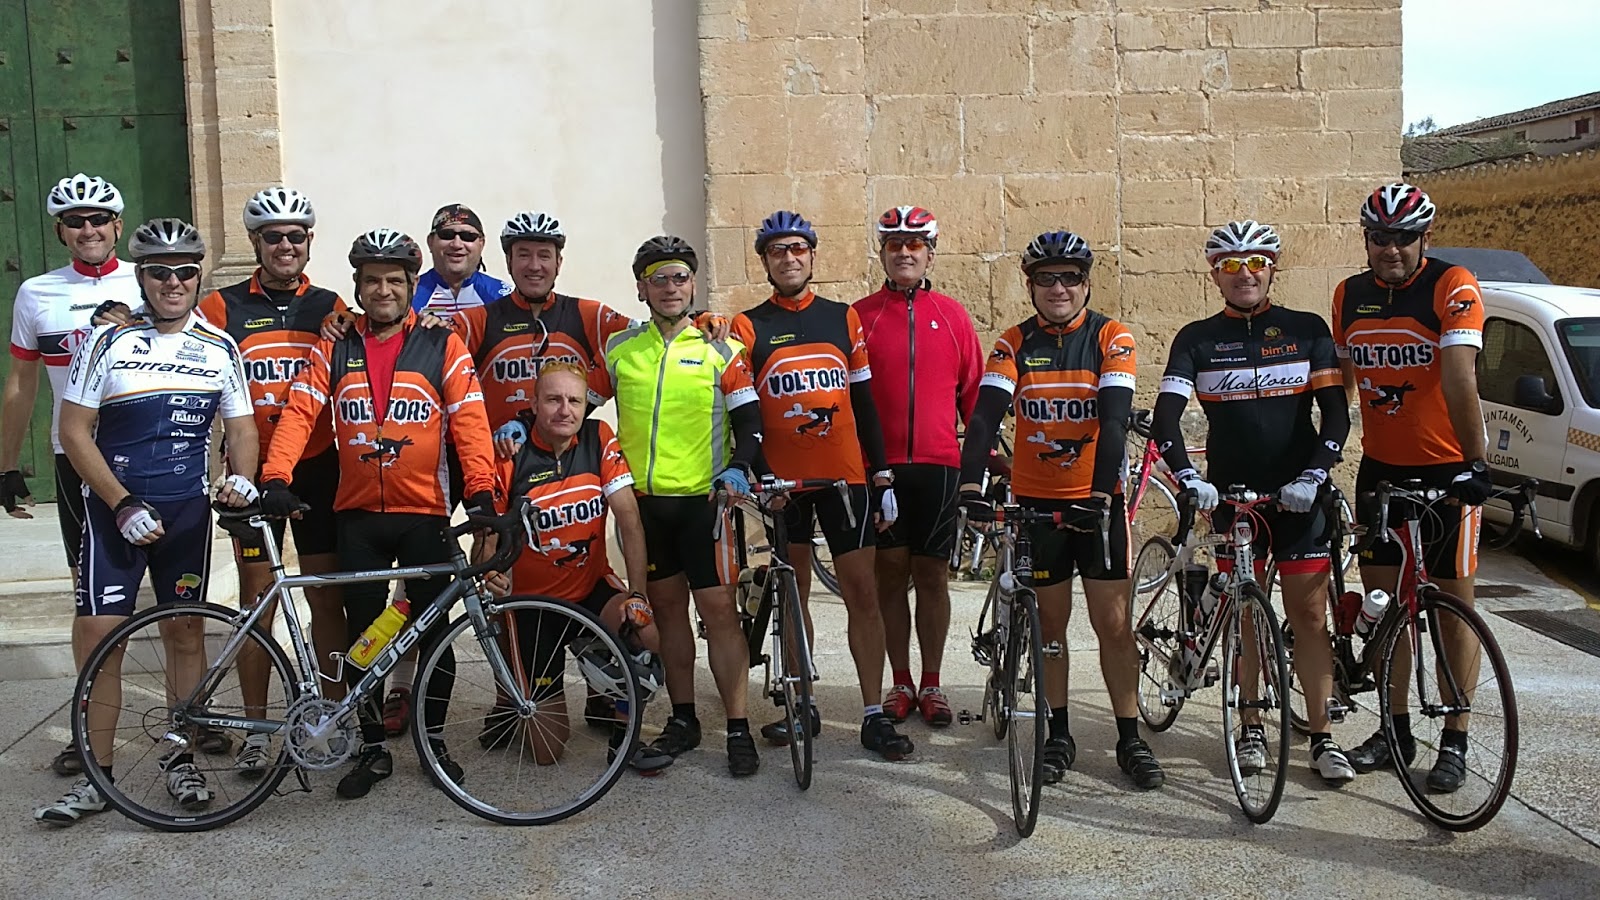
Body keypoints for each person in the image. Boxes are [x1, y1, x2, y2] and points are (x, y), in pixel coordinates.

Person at [33, 218, 259, 825]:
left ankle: (180, 760)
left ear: (199, 275)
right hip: (116, 513)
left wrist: (242, 475)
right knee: (101, 637)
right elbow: (73, 432)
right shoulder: (106, 343)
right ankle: (97, 775)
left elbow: (240, 427)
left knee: (186, 632)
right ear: (142, 277)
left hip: (186, 513)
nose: (173, 282)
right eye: (159, 272)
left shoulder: (220, 347)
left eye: (185, 271)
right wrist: (121, 503)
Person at [259, 228, 497, 800]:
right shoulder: (335, 343)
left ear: (412, 286)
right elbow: (301, 411)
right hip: (358, 515)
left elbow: (469, 421)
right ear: (358, 287)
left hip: (424, 513)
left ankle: (432, 742)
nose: (383, 290)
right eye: (371, 281)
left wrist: (483, 492)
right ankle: (369, 747)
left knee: (432, 633)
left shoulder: (442, 343)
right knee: (363, 637)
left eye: (394, 280)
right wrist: (275, 476)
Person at [958, 230, 1164, 790]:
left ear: (1086, 284)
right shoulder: (1013, 343)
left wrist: (1097, 496)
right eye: (1046, 278)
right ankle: (1060, 733)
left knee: (1113, 625)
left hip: (1095, 504)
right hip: (1036, 507)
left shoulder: (1110, 337)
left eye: (1069, 277)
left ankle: (1129, 738)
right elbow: (984, 418)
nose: (1058, 288)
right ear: (1030, 286)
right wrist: (970, 486)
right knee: (1051, 627)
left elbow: (1115, 419)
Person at [1152, 220, 1355, 784]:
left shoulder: (1307, 330)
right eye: (1232, 265)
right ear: (1215, 275)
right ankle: (1250, 726)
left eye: (1256, 263)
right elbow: (1166, 418)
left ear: (1272, 269)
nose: (1245, 274)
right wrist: (1188, 476)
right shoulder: (1196, 339)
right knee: (1244, 616)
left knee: (1309, 617)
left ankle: (1322, 737)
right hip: (1233, 499)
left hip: (1298, 497)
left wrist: (1315, 473)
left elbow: (1335, 415)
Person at [729, 210, 914, 761]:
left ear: (812, 256)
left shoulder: (843, 317)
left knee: (863, 593)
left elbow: (864, 401)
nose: (789, 258)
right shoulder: (747, 325)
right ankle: (801, 702)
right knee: (794, 593)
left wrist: (882, 473)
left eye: (798, 249)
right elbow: (744, 411)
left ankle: (873, 712)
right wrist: (759, 472)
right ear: (764, 262)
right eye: (777, 251)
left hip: (844, 479)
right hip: (783, 482)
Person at [1332, 183, 1492, 792]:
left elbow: (1459, 377)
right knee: (1385, 606)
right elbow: (1341, 387)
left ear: (1424, 237)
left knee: (1453, 610)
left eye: (1403, 237)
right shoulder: (1350, 294)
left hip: (1448, 471)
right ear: (1367, 239)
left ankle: (1455, 735)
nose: (1391, 248)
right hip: (1381, 471)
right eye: (1380, 237)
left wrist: (1475, 463)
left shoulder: (1452, 285)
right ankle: (1394, 729)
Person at [195, 187, 351, 777]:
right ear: (255, 242)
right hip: (253, 473)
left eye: (296, 236)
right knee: (256, 603)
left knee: (325, 596)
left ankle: (331, 717)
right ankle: (258, 730)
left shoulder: (332, 305)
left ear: (309, 241)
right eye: (273, 237)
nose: (286, 246)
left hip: (318, 467)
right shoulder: (221, 306)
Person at [596, 236, 765, 776]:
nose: (670, 287)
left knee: (719, 614)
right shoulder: (621, 348)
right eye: (659, 279)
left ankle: (737, 726)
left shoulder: (722, 347)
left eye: (680, 277)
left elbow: (750, 423)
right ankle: (684, 717)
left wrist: (740, 466)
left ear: (693, 285)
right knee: (668, 614)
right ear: (641, 288)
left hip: (703, 505)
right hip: (646, 508)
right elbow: (574, 403)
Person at [3, 173, 141, 778]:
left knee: (177, 599)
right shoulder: (36, 292)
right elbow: (21, 383)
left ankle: (191, 717)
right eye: (75, 221)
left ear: (117, 224)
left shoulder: (150, 278)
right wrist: (7, 464)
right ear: (60, 231)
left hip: (147, 452)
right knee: (90, 604)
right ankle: (89, 723)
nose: (89, 229)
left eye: (99, 218)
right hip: (74, 459)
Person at [474, 362, 667, 769]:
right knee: (548, 753)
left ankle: (623, 738)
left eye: (574, 401)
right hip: (532, 607)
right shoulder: (510, 453)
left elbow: (629, 518)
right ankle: (512, 700)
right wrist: (489, 571)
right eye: (553, 400)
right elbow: (487, 534)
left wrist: (638, 593)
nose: (565, 410)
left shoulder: (598, 438)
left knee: (643, 629)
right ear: (533, 405)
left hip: (589, 591)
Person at [853, 206, 982, 727]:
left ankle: (931, 682)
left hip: (939, 466)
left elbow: (974, 396)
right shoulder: (860, 316)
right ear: (882, 253)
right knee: (888, 577)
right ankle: (900, 681)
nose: (904, 253)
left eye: (914, 245)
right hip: (879, 468)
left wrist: (982, 462)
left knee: (932, 576)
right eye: (894, 245)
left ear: (930, 253)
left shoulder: (952, 316)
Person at [412, 204, 511, 319]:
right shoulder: (410, 294)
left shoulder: (503, 295)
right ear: (430, 242)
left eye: (468, 236)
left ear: (481, 243)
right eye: (447, 235)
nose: (457, 244)